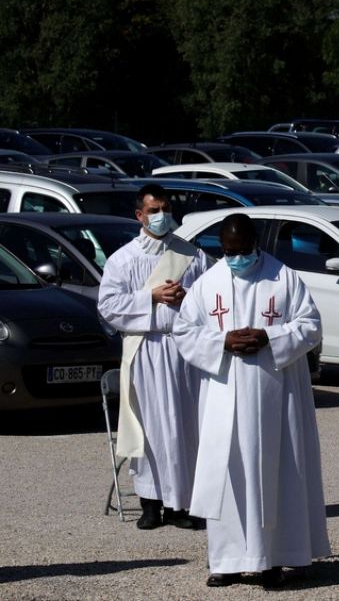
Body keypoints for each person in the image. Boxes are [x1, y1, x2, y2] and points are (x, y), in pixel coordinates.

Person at [173, 213, 328, 588]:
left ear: (256, 244)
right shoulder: (207, 284)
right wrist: (223, 341)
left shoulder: (283, 277)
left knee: (275, 473)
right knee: (227, 474)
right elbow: (184, 331)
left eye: (244, 250)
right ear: (221, 248)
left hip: (274, 395)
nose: (237, 258)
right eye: (230, 252)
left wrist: (269, 338)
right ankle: (225, 561)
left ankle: (273, 560)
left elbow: (311, 325)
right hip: (223, 392)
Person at [98, 183, 211, 531]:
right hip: (145, 349)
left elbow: (210, 298)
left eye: (165, 209)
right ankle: (150, 502)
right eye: (153, 210)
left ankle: (180, 504)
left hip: (183, 352)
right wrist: (151, 296)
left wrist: (187, 297)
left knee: (184, 428)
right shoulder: (123, 259)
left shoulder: (192, 255)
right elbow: (108, 306)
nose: (161, 215)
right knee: (149, 427)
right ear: (140, 215)